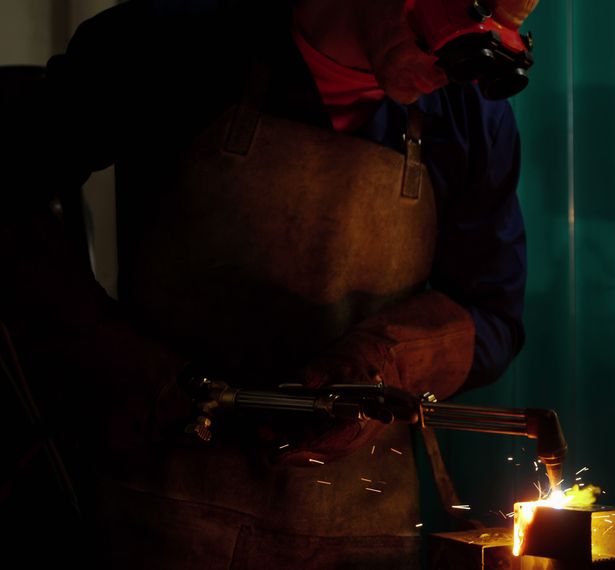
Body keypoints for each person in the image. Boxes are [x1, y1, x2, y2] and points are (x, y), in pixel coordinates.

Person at [0, 0, 532, 567]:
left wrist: (386, 360)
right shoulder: (170, 45)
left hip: (359, 534)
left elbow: (492, 313)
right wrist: (116, 361)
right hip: (163, 519)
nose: (450, 72)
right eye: (446, 38)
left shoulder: (467, 112)